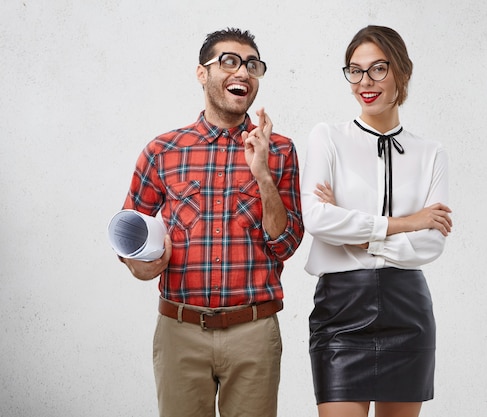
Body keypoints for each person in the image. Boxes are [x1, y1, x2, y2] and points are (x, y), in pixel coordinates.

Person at [117, 28, 304, 417]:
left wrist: (262, 174)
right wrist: (139, 266)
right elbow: (129, 237)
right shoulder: (162, 150)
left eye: (252, 65)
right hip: (179, 332)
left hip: (253, 332)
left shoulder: (279, 150)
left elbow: (285, 244)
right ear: (202, 74)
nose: (243, 73)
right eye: (230, 62)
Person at [301, 25, 452, 417]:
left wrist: (353, 233)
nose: (364, 82)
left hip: (407, 308)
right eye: (355, 70)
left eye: (378, 69)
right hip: (341, 309)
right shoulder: (327, 138)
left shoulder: (431, 153)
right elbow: (317, 219)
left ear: (402, 71)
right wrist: (407, 222)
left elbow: (433, 243)